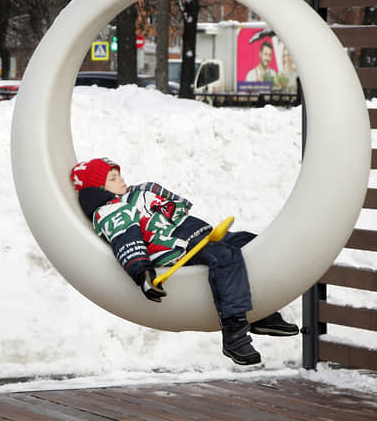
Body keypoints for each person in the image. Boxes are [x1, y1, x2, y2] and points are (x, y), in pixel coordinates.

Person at [70, 157, 298, 366]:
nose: (121, 179)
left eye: (119, 174)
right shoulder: (112, 210)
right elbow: (126, 240)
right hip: (174, 248)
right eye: (112, 178)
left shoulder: (133, 195)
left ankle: (261, 315)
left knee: (252, 244)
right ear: (97, 188)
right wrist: (143, 273)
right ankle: (235, 336)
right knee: (225, 258)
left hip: (195, 236)